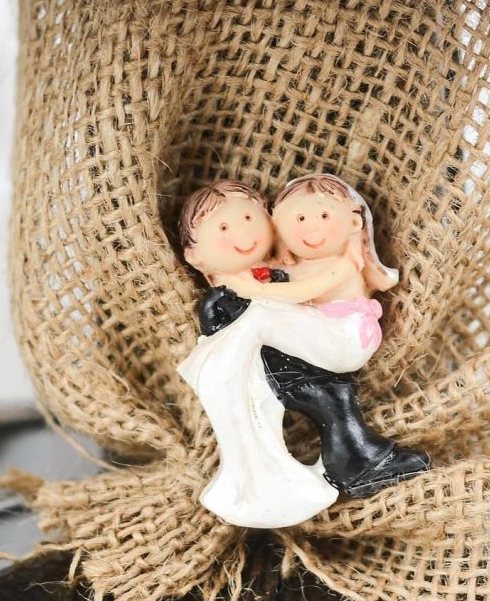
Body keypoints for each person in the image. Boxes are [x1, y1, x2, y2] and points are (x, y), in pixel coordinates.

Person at [177, 177, 429, 528]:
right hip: (288, 368)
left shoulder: (321, 268)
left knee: (263, 319)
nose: (243, 233)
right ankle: (350, 461)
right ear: (195, 256)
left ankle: (210, 369)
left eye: (248, 218)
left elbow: (296, 296)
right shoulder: (243, 288)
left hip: (337, 342)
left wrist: (251, 288)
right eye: (223, 228)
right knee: (328, 396)